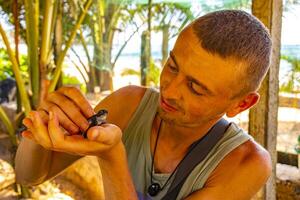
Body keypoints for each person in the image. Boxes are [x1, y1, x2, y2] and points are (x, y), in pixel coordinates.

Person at [15, 10, 272, 200]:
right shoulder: (130, 103)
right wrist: (42, 125)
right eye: (172, 66)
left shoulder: (246, 164)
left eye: (195, 88)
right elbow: (30, 176)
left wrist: (112, 157)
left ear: (242, 104)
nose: (168, 90)